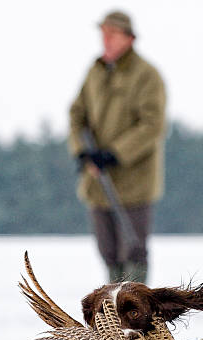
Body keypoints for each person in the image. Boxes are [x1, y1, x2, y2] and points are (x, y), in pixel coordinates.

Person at [69, 10, 166, 284]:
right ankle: (112, 311)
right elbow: (76, 114)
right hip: (97, 182)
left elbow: (152, 126)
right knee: (107, 251)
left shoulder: (147, 75)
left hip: (134, 183)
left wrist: (114, 154)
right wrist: (82, 151)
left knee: (132, 250)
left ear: (129, 38)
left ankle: (136, 312)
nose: (106, 39)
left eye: (112, 34)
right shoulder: (95, 71)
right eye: (104, 33)